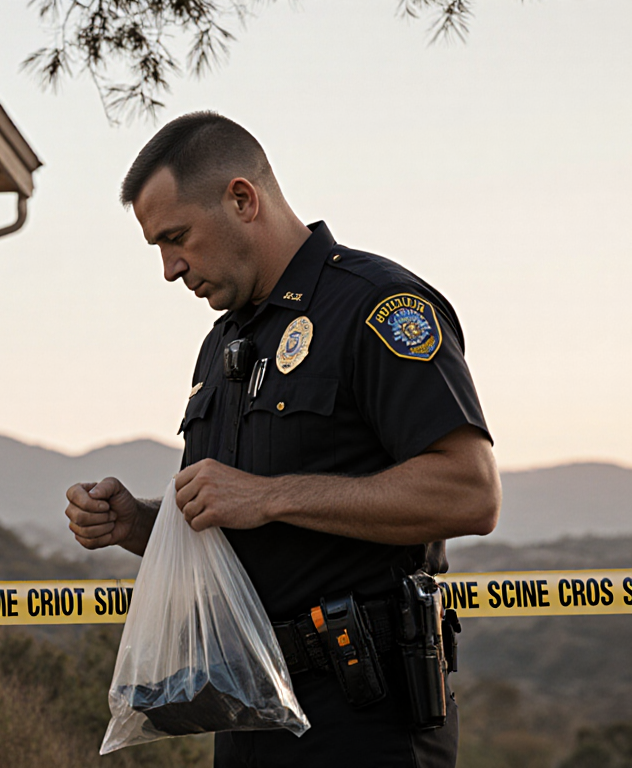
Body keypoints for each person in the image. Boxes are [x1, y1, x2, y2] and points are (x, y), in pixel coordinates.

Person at [64, 113, 501, 767]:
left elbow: (471, 493)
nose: (169, 268)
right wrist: (140, 525)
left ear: (242, 199)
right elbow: (233, 530)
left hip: (365, 719)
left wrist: (269, 496)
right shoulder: (224, 345)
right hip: (248, 711)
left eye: (176, 238)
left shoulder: (375, 306)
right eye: (157, 246)